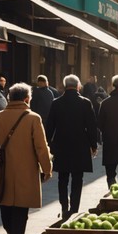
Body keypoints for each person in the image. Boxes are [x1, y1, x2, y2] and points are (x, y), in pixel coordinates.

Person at [0, 82, 52, 234]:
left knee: (5, 207)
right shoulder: (33, 118)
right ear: (27, 99)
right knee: (21, 210)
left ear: (9, 98)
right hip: (26, 173)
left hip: (3, 172)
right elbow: (41, 148)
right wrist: (47, 168)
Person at [45, 75, 98, 220]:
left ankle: (64, 206)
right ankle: (74, 208)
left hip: (61, 145)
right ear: (78, 86)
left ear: (64, 86)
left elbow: (49, 127)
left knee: (62, 177)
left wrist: (47, 145)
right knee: (77, 177)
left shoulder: (56, 103)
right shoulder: (85, 103)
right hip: (80, 145)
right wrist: (94, 144)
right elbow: (91, 126)